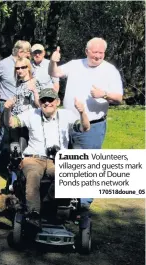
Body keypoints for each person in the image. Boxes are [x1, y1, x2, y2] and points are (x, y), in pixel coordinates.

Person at [49, 37, 124, 209]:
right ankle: (64, 201)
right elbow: (55, 73)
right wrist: (53, 62)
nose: (98, 56)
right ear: (86, 51)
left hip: (94, 125)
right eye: (95, 52)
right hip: (68, 123)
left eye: (101, 53)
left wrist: (103, 94)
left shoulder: (110, 70)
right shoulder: (76, 64)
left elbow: (119, 98)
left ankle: (83, 205)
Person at [7, 88, 89, 226]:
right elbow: (11, 123)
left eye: (50, 100)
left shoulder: (67, 115)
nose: (47, 103)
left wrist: (82, 113)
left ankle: (51, 205)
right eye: (43, 100)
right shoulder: (31, 114)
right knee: (32, 175)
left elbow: (85, 127)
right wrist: (7, 110)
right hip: (33, 158)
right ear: (39, 102)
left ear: (57, 101)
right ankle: (33, 214)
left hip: (57, 159)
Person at [0, 40, 31, 177]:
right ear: (20, 51)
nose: (29, 54)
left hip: (23, 107)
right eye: (27, 51)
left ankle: (18, 166)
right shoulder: (4, 64)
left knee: (21, 139)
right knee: (6, 137)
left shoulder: (25, 64)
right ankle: (2, 166)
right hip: (7, 106)